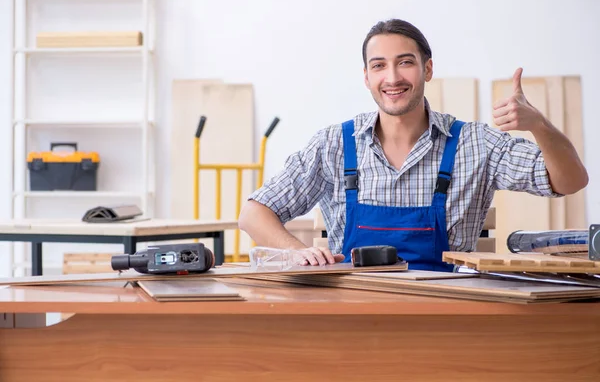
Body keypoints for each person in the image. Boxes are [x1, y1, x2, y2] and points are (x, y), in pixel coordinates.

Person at [238, 19, 588, 271]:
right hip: (354, 313)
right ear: (366, 77)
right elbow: (254, 214)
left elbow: (571, 181)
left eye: (405, 62)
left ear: (428, 69)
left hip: (446, 315)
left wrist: (539, 125)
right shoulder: (334, 144)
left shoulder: (475, 144)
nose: (392, 78)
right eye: (379, 66)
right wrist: (298, 253)